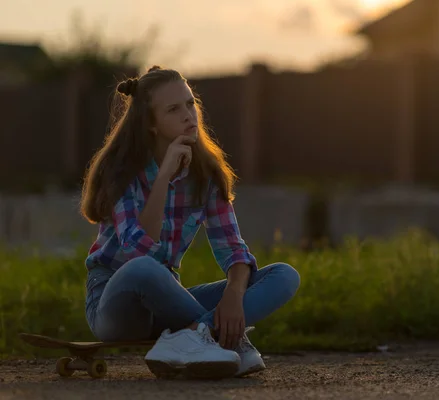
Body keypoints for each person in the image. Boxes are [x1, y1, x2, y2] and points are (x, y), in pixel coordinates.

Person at [79, 65, 301, 380]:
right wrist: (165, 176)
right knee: (144, 269)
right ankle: (228, 340)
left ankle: (194, 336)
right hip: (114, 303)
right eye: (173, 109)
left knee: (283, 275)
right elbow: (137, 251)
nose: (188, 115)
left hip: (166, 301)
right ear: (151, 124)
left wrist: (234, 296)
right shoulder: (121, 171)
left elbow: (233, 249)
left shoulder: (205, 175)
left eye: (189, 103)